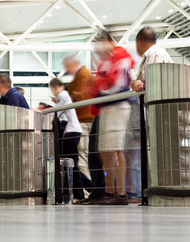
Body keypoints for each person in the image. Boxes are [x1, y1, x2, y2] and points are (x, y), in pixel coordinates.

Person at [128, 26, 173, 203]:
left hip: (159, 111)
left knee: (158, 151)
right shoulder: (153, 55)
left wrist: (137, 82)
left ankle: (160, 190)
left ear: (140, 42)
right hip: (156, 111)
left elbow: (148, 82)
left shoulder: (155, 54)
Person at [90, 29, 134, 205]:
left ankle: (121, 193)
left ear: (107, 40)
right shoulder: (107, 61)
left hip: (117, 105)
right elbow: (99, 85)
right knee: (105, 150)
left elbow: (117, 83)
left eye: (101, 43)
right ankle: (110, 191)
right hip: (107, 107)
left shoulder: (120, 55)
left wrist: (98, 86)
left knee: (115, 148)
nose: (99, 48)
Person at [63, 55, 102, 204]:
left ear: (72, 64)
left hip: (84, 121)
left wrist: (66, 97)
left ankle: (88, 193)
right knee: (82, 158)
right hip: (83, 122)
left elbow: (82, 96)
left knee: (82, 158)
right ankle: (89, 192)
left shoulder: (83, 75)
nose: (66, 70)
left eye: (67, 67)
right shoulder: (81, 75)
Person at [49, 78, 84, 203]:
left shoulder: (63, 95)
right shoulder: (63, 97)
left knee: (71, 164)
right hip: (71, 131)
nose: (54, 92)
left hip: (72, 132)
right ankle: (89, 187)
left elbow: (56, 112)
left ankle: (80, 195)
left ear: (60, 87)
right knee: (71, 164)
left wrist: (43, 112)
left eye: (54, 89)